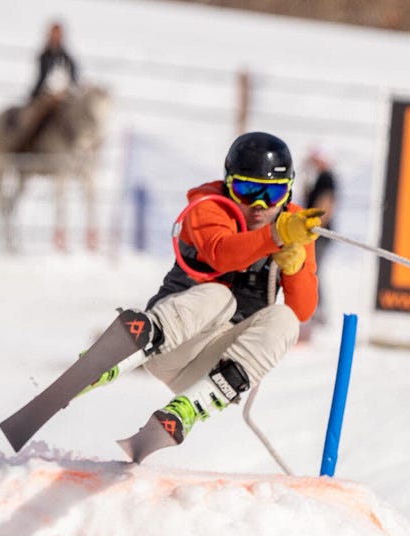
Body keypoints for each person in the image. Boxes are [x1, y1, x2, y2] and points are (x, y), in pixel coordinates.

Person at [93, 131, 323, 446]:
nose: (258, 205)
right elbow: (222, 253)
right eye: (246, 190)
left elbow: (304, 310)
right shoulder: (209, 206)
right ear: (229, 185)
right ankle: (118, 356)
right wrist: (275, 235)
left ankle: (191, 407)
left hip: (208, 368)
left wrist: (294, 268)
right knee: (220, 297)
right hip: (172, 345)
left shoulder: (293, 224)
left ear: (287, 192)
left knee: (285, 321)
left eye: (270, 194)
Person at [298, 150, 338, 337]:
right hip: (315, 232)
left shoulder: (327, 178)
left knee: (315, 269)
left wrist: (316, 226)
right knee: (312, 269)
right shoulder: (318, 178)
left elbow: (326, 204)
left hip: (319, 234)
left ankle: (317, 309)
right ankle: (315, 308)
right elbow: (308, 199)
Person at [30, 22, 79, 100]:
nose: (55, 36)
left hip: (65, 95)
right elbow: (41, 78)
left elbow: (74, 80)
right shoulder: (44, 57)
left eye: (57, 34)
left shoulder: (68, 59)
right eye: (53, 34)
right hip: (46, 94)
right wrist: (33, 94)